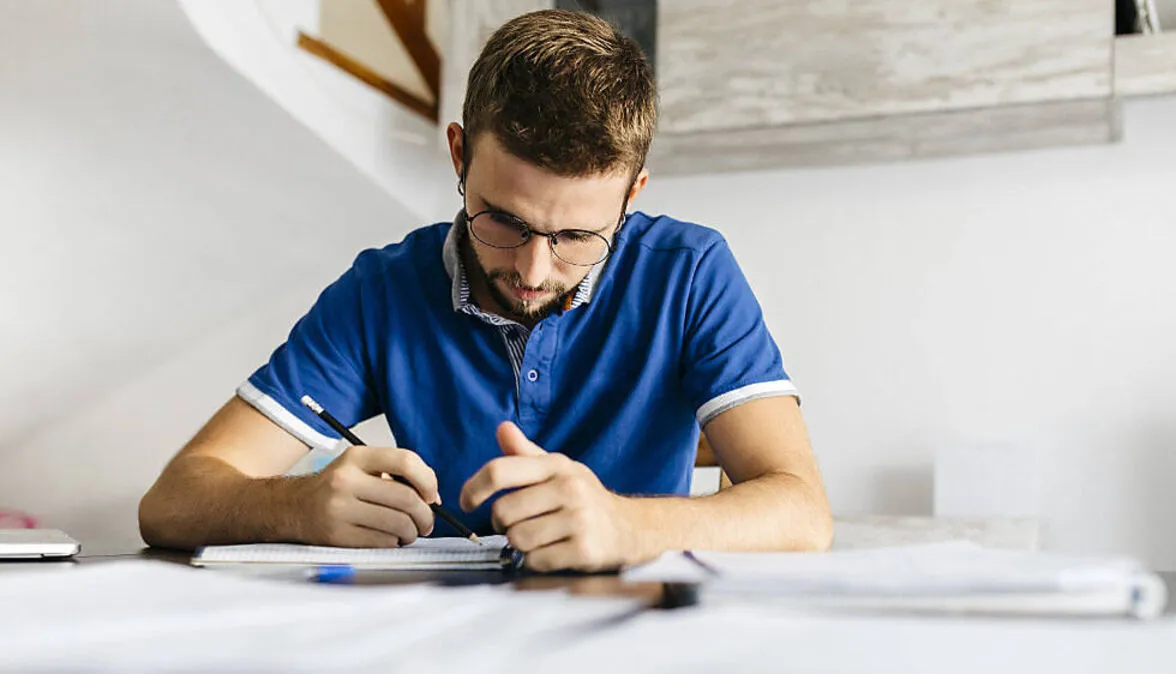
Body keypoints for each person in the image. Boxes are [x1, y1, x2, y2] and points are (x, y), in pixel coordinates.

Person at [139, 9, 832, 571]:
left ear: (632, 196)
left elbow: (803, 512)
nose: (532, 271)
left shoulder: (689, 271)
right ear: (459, 155)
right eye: (503, 220)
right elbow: (171, 501)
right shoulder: (380, 291)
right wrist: (296, 506)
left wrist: (627, 523)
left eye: (577, 238)